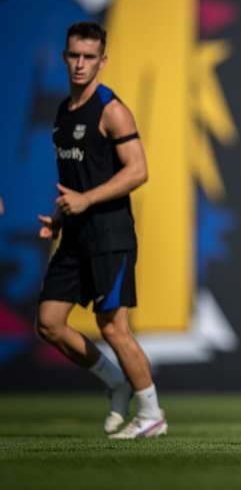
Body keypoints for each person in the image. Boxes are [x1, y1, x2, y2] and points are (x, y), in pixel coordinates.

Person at [35, 22, 166, 439]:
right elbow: (76, 179)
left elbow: (139, 170)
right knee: (49, 322)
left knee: (113, 327)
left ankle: (151, 414)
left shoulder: (112, 109)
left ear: (102, 61)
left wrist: (86, 201)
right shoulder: (63, 110)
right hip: (74, 233)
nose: (80, 64)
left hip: (110, 234)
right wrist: (59, 217)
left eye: (89, 57)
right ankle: (116, 381)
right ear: (64, 56)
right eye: (74, 55)